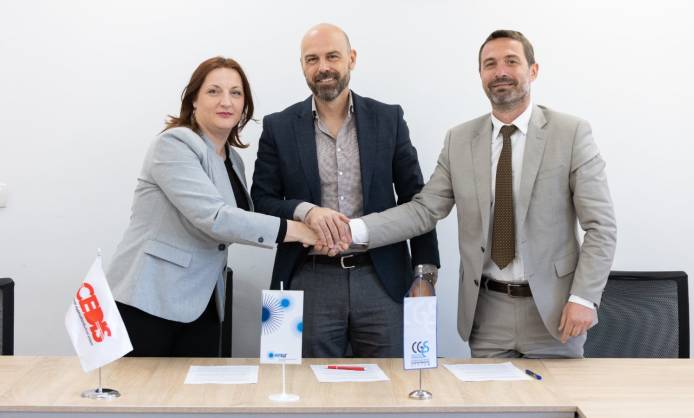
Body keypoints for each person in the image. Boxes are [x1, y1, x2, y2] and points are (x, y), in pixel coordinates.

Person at [347, 30, 617, 358]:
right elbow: (424, 211)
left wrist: (584, 297)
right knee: (488, 394)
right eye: (490, 64)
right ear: (480, 75)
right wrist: (351, 231)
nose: (500, 71)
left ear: (533, 70)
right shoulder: (459, 140)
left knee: (556, 395)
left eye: (511, 61)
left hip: (555, 313)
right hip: (488, 314)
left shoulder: (571, 133)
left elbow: (601, 226)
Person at [106, 57, 318, 357]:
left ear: (245, 105)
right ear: (194, 99)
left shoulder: (233, 160)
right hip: (150, 297)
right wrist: (301, 231)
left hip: (203, 301)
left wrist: (305, 211)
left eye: (236, 93)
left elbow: (243, 218)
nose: (226, 101)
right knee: (142, 387)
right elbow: (216, 218)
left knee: (197, 387)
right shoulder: (174, 144)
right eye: (214, 91)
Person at [251, 23, 440, 358]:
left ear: (351, 59)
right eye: (312, 59)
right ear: (302, 66)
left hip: (382, 278)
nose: (323, 67)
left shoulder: (388, 118)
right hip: (307, 276)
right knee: (304, 384)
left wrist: (424, 273)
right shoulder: (278, 126)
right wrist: (306, 211)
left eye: (332, 56)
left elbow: (415, 199)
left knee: (390, 383)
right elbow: (262, 201)